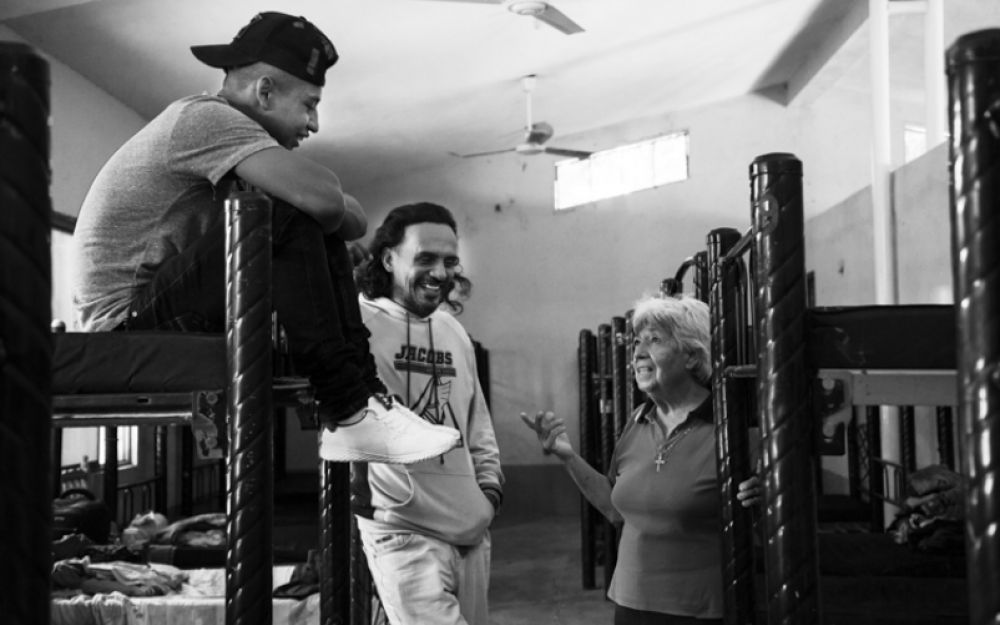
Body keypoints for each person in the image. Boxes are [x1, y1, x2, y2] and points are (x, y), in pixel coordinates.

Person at [71, 11, 459, 464]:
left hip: (156, 308)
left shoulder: (234, 155)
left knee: (297, 216)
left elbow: (351, 221)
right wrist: (322, 207)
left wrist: (323, 216)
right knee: (290, 212)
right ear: (265, 91)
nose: (314, 124)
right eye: (310, 104)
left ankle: (364, 400)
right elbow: (332, 206)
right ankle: (350, 407)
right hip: (122, 327)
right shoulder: (204, 118)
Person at [522, 294, 760, 624]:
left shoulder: (728, 426)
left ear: (691, 355)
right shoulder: (638, 419)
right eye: (637, 342)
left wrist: (765, 494)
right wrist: (568, 457)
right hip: (631, 602)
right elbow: (614, 509)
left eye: (654, 340)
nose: (637, 353)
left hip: (700, 609)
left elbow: (765, 513)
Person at [351, 202, 503, 625]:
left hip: (471, 531)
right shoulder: (358, 325)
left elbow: (478, 425)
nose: (441, 272)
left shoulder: (454, 331)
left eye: (450, 260)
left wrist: (489, 496)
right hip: (402, 529)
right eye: (425, 259)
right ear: (388, 259)